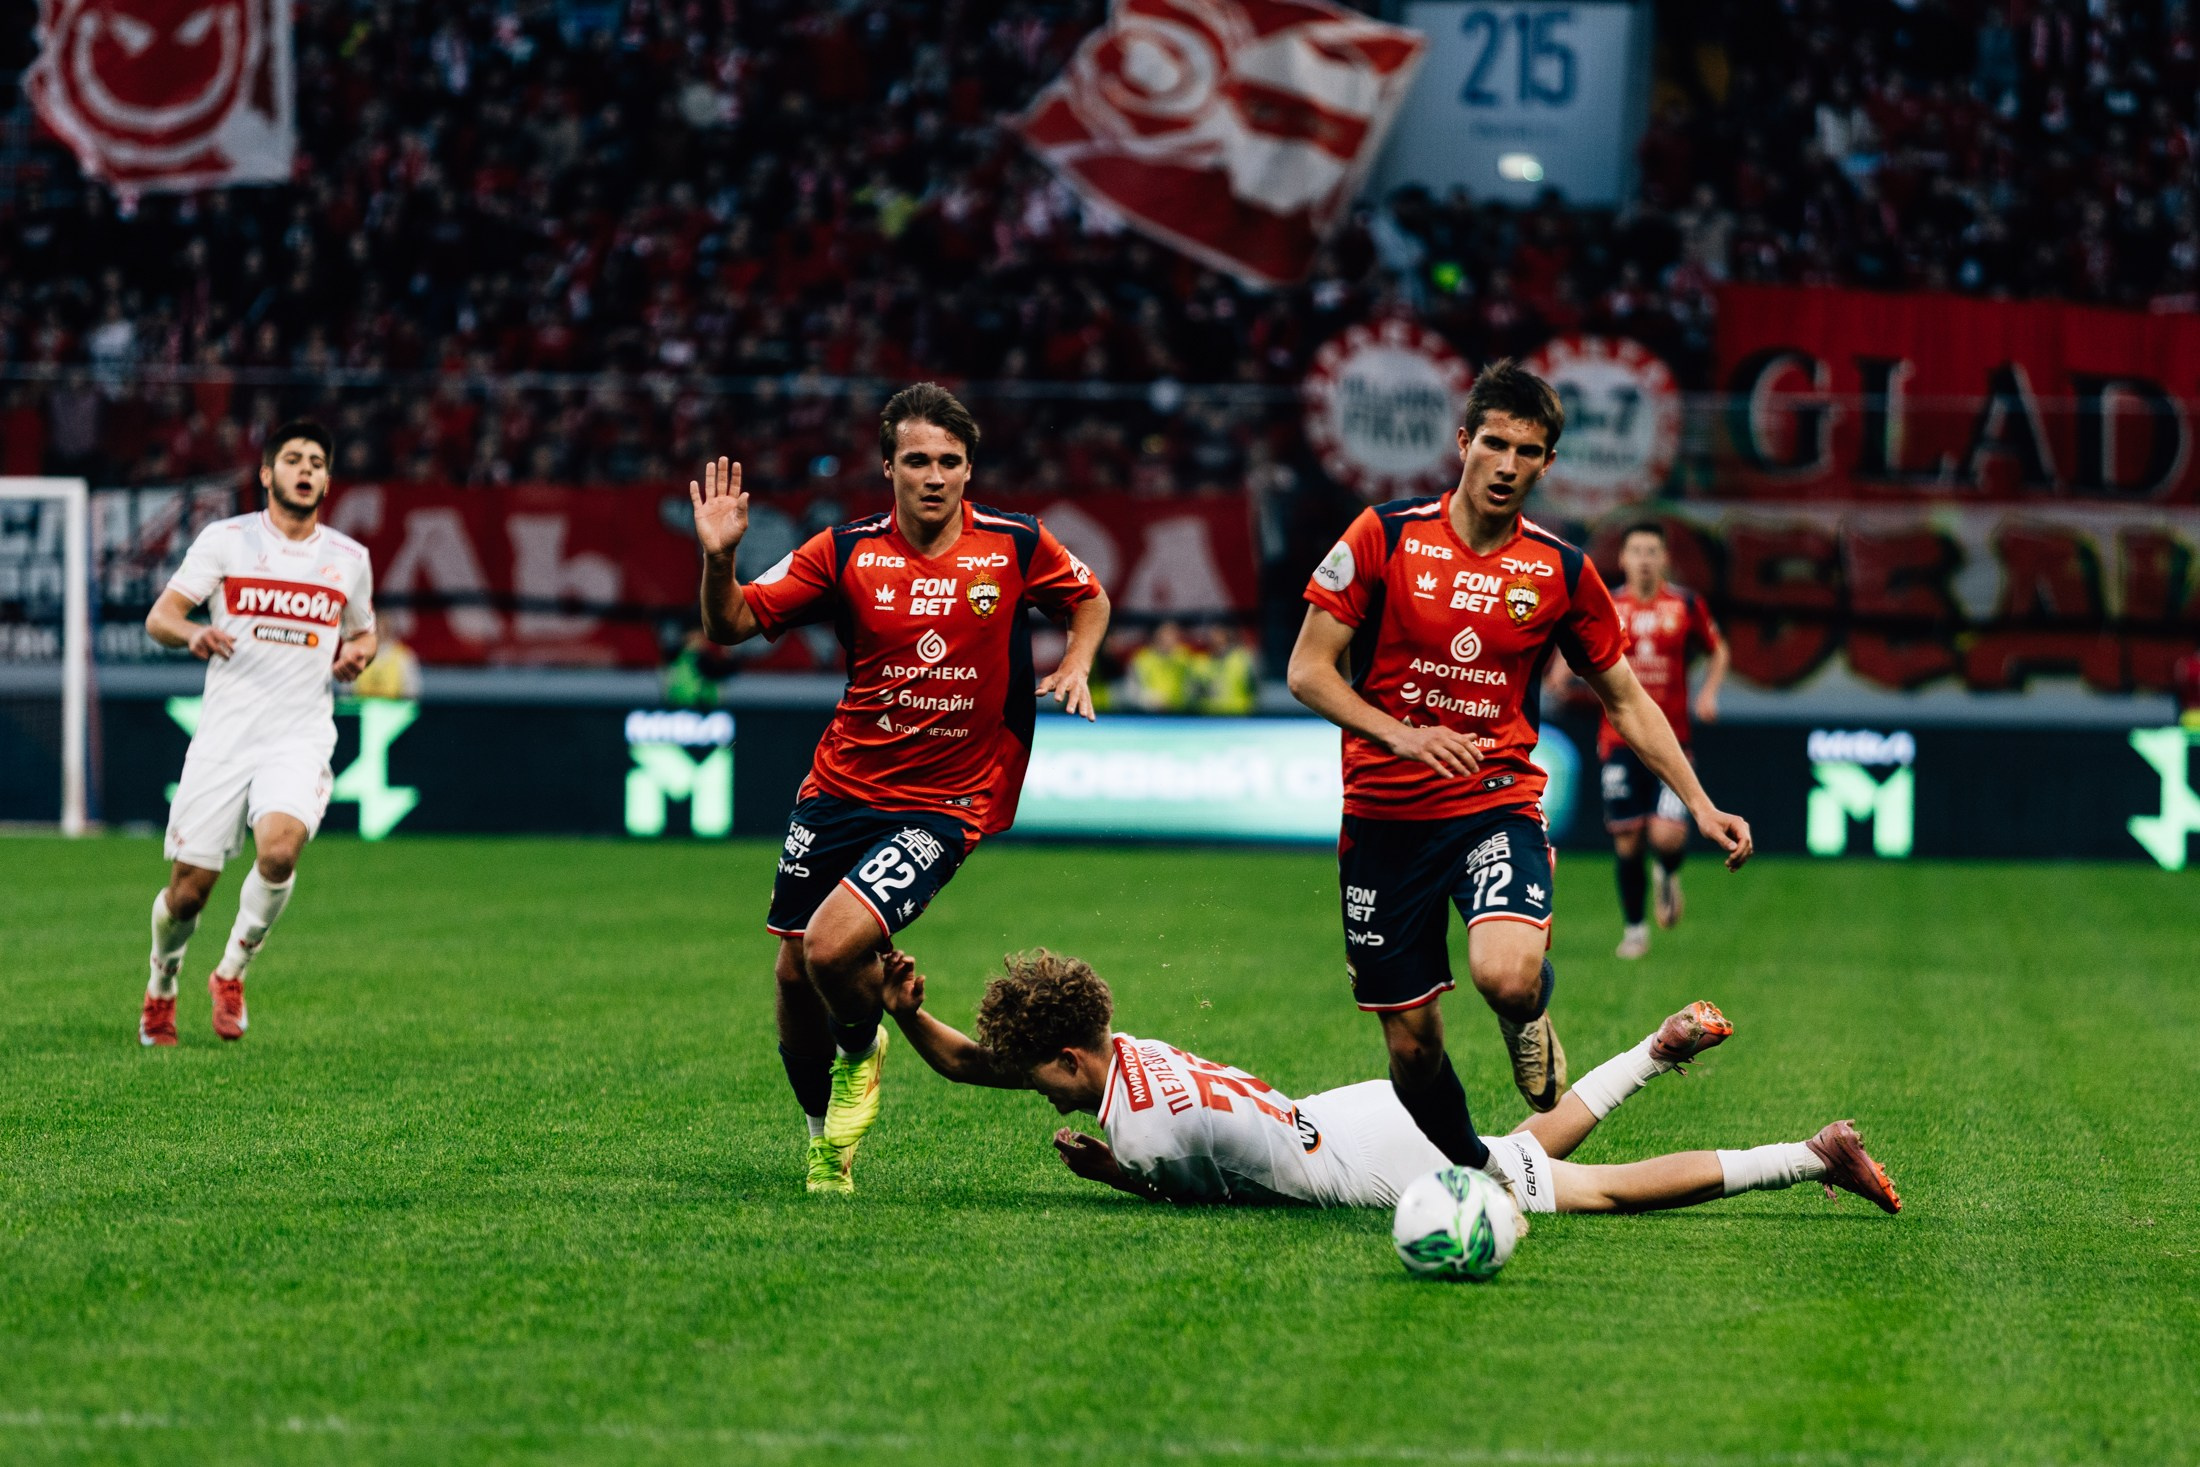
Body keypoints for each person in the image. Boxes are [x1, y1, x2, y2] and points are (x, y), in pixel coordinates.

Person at [1284, 360, 1753, 1183]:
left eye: (1526, 451)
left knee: (1505, 974)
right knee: (1412, 1044)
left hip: (1494, 802)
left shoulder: (1562, 572)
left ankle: (1527, 1013)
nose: (1505, 464)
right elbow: (1309, 671)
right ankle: (1474, 1165)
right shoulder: (1383, 536)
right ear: (1463, 442)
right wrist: (1403, 733)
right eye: (1493, 443)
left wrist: (1699, 801)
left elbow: (1628, 699)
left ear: (1547, 465)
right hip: (1385, 822)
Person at [690, 382, 1112, 1194]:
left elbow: (1087, 598)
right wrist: (719, 558)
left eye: (950, 461)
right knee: (791, 975)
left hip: (946, 804)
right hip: (841, 787)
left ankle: (860, 1045)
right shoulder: (843, 551)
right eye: (917, 459)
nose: (935, 475)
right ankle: (824, 1137)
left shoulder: (1015, 543)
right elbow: (729, 625)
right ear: (887, 466)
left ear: (968, 469)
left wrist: (1078, 659)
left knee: (830, 949)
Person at [879, 948, 1900, 1217]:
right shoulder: (1121, 1047)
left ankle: (1808, 1155)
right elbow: (984, 1066)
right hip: (1336, 1112)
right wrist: (904, 1014)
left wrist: (1107, 1174)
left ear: (1069, 1059)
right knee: (1529, 1150)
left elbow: (1188, 1195)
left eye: (1040, 1080)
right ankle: (1654, 1051)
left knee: (1593, 1191)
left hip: (1364, 1161)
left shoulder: (1145, 1137)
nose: (1037, 1091)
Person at [138, 420, 378, 1046]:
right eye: (294, 459)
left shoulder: (349, 560)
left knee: (279, 852)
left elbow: (364, 630)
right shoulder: (227, 541)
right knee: (188, 894)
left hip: (299, 736)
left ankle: (231, 972)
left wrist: (360, 653)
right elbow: (161, 616)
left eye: (317, 461)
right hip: (224, 738)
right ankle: (163, 983)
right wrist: (193, 633)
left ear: (326, 479)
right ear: (267, 473)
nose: (306, 469)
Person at [1594, 522, 1728, 959]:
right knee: (1628, 840)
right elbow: (1579, 647)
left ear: (1665, 558)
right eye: (1636, 551)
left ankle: (1667, 873)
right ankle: (1635, 930)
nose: (1645, 559)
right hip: (1618, 740)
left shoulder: (1685, 603)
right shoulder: (1608, 604)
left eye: (1653, 551)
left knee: (1666, 838)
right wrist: (1559, 672)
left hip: (1673, 741)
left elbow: (1718, 649)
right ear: (1623, 559)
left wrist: (1708, 693)